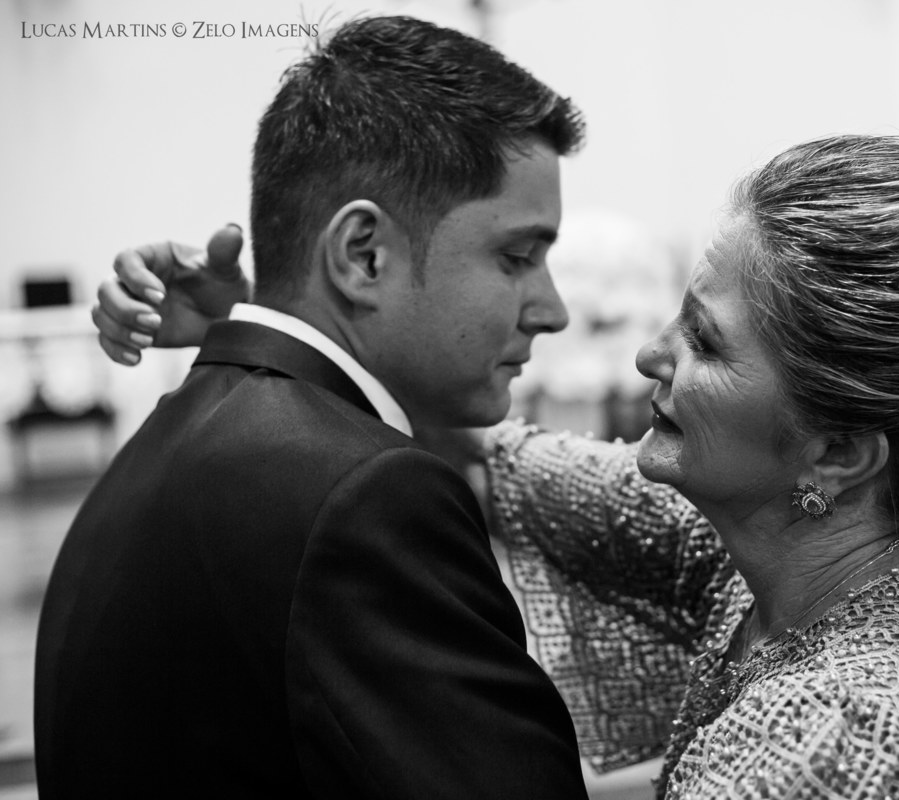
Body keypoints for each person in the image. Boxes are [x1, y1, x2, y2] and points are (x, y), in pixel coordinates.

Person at [93, 134, 899, 798]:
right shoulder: (808, 546)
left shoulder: (832, 739)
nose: (645, 356)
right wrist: (273, 324)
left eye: (706, 346)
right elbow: (500, 455)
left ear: (837, 449)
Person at [36, 15, 591, 799]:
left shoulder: (157, 452)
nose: (552, 308)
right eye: (517, 257)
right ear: (364, 254)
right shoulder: (370, 495)